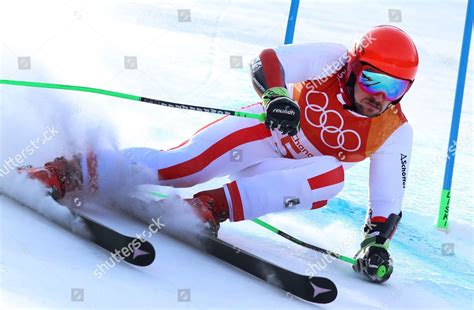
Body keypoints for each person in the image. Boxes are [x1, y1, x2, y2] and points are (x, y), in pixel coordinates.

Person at [21, 25, 418, 283]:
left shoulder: (393, 130)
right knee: (180, 166)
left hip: (283, 176)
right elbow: (267, 61)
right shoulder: (331, 59)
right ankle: (68, 172)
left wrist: (376, 245)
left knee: (332, 176)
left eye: (395, 88)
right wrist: (277, 97)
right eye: (372, 79)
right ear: (352, 67)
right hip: (263, 133)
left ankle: (208, 208)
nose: (379, 96)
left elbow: (387, 202)